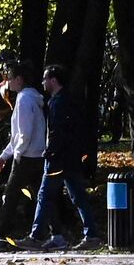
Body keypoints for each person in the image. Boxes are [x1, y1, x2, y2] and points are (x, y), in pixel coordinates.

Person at [15, 64, 103, 251]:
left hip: (58, 159)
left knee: (44, 195)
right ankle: (92, 234)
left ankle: (36, 236)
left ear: (53, 80)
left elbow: (57, 132)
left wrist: (50, 151)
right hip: (71, 158)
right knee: (78, 196)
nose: (43, 82)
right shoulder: (70, 100)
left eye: (45, 79)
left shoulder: (57, 103)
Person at [0, 60, 47, 251]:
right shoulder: (34, 99)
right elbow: (19, 136)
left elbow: (23, 134)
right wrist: (4, 156)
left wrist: (17, 155)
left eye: (10, 78)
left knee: (11, 196)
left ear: (19, 79)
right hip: (37, 154)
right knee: (42, 194)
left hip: (26, 157)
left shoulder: (23, 100)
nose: (8, 82)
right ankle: (57, 233)